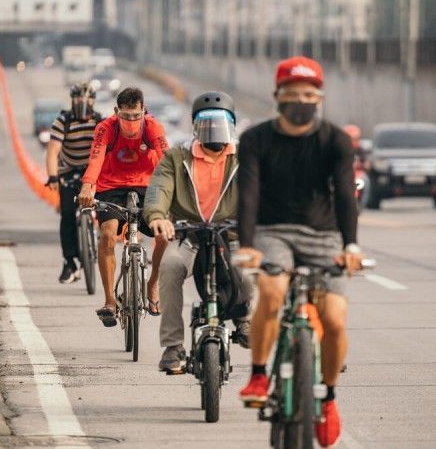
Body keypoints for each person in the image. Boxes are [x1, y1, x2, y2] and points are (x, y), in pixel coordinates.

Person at [235, 56, 365, 448]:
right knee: (272, 293)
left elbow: (345, 194)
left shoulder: (336, 141)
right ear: (277, 96)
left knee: (335, 318)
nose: (301, 100)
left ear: (320, 98)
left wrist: (350, 246)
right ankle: (259, 372)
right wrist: (246, 246)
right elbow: (248, 195)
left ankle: (328, 398)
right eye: (293, 94)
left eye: (309, 94)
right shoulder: (255, 139)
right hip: (273, 232)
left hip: (323, 235)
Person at [143, 91, 253, 372]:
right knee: (169, 266)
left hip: (232, 235)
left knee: (250, 267)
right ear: (195, 127)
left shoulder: (246, 157)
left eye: (220, 124)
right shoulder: (176, 158)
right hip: (190, 236)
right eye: (206, 125)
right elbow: (159, 189)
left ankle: (244, 320)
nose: (213, 132)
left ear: (231, 125)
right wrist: (157, 217)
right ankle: (173, 346)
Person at [78, 87, 169, 326]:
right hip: (111, 186)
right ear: (116, 111)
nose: (130, 122)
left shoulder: (153, 128)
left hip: (147, 184)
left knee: (164, 233)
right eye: (125, 116)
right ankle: (110, 300)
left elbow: (166, 159)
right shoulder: (105, 128)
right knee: (107, 235)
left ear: (143, 111)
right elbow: (96, 158)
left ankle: (153, 282)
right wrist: (88, 186)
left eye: (135, 116)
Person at [45, 82, 103, 284]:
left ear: (93, 101)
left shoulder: (100, 122)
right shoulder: (63, 121)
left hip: (93, 173)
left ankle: (104, 243)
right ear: (72, 101)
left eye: (87, 98)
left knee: (107, 209)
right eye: (78, 98)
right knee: (67, 213)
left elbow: (109, 149)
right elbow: (53, 151)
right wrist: (53, 177)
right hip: (69, 172)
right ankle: (69, 261)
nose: (82, 102)